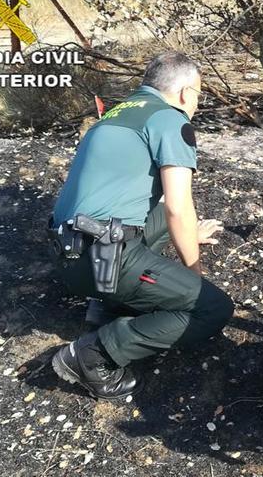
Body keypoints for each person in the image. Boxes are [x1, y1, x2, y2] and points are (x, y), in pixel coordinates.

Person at [48, 52, 234, 400]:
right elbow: (179, 207)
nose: (196, 102)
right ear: (183, 93)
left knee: (162, 218)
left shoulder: (115, 115)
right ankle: (91, 356)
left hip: (70, 253)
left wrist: (189, 233)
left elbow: (153, 208)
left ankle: (106, 304)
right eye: (197, 94)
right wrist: (193, 276)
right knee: (211, 308)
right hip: (103, 258)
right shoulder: (171, 120)